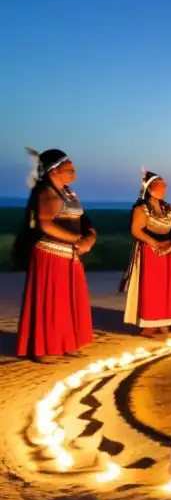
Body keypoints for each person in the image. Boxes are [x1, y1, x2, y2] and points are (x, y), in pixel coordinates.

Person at [15, 149, 96, 363]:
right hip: (50, 255)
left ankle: (67, 342)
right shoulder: (46, 193)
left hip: (70, 255)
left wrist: (90, 237)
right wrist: (76, 240)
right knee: (52, 302)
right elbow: (45, 224)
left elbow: (85, 220)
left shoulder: (69, 193)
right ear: (54, 170)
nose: (73, 170)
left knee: (68, 301)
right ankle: (46, 346)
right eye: (68, 167)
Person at [120, 170, 171, 336]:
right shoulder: (142, 209)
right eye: (160, 185)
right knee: (152, 286)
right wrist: (155, 243)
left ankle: (167, 321)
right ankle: (150, 323)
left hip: (167, 252)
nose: (164, 188)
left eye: (164, 186)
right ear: (150, 189)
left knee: (168, 286)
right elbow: (136, 230)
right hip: (150, 252)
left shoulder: (169, 209)